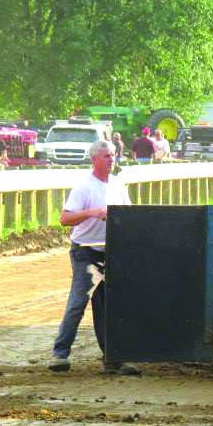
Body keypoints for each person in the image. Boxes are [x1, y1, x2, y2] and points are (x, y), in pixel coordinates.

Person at [48, 140, 139, 375]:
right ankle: (60, 354)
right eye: (107, 156)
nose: (112, 160)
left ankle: (112, 358)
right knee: (79, 302)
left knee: (107, 306)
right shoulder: (84, 187)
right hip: (86, 252)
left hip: (111, 251)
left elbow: (128, 214)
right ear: (95, 159)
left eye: (113, 155)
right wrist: (92, 213)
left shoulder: (119, 184)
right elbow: (65, 219)